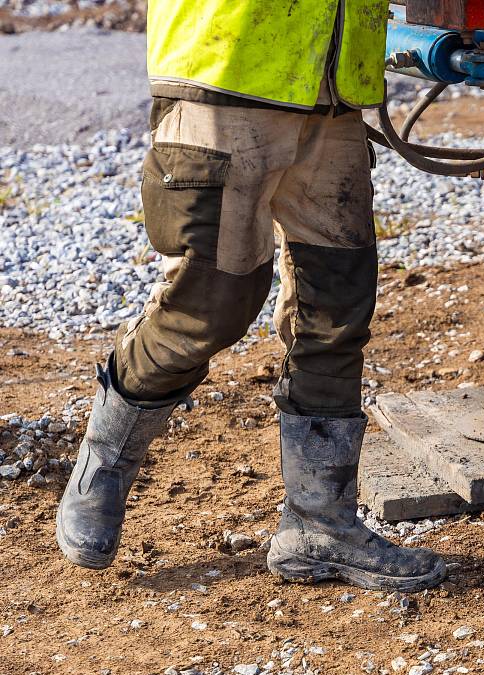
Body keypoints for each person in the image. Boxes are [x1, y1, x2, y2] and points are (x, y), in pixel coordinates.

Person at [55, 0, 447, 592]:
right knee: (210, 303)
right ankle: (106, 455)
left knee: (337, 307)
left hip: (333, 84)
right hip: (225, 69)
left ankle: (321, 524)